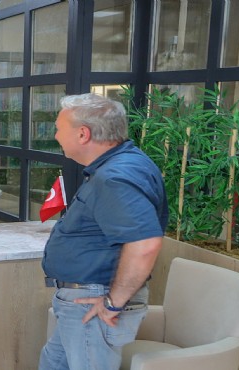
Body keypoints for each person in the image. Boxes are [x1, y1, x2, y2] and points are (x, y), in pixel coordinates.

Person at [39, 93, 168, 370]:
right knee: (52, 363)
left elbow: (144, 244)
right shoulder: (119, 165)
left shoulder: (116, 176)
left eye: (59, 129)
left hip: (93, 301)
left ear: (83, 134)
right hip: (82, 301)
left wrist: (112, 303)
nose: (56, 136)